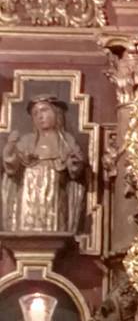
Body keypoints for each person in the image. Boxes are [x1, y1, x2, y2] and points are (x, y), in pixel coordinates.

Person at [1, 95, 87, 234]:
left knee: (54, 228)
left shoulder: (66, 141)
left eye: (44, 110)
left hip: (54, 196)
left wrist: (73, 162)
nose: (40, 116)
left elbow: (76, 168)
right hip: (28, 196)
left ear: (56, 113)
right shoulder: (27, 140)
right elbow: (11, 166)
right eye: (35, 113)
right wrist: (11, 145)